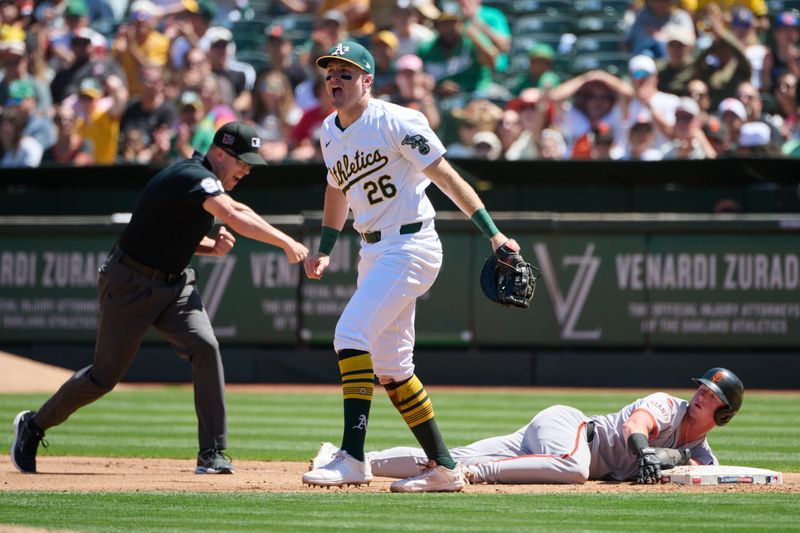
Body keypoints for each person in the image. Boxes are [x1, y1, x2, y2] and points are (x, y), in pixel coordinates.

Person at [10, 121, 309, 475]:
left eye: (249, 162)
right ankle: (33, 425)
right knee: (103, 378)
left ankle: (211, 451)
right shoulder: (192, 175)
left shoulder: (207, 185)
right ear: (217, 153)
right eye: (241, 160)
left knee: (205, 347)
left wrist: (211, 249)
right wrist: (286, 242)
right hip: (130, 282)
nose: (246, 169)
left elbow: (180, 229)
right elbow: (233, 214)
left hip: (175, 285)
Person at [302, 41, 523, 493]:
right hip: (373, 251)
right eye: (330, 73)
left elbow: (445, 176)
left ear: (367, 80)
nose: (336, 80)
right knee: (392, 366)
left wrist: (493, 233)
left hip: (412, 244)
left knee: (349, 335)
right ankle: (444, 467)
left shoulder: (396, 120)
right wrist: (325, 246)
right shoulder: (328, 131)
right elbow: (335, 192)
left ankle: (352, 457)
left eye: (347, 72)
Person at [311, 367, 745, 485]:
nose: (702, 395)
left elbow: (712, 476)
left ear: (724, 415)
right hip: (572, 430)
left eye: (712, 396)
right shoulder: (668, 405)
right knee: (574, 470)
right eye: (703, 388)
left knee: (449, 458)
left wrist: (678, 461)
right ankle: (476, 476)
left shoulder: (702, 452)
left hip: (549, 449)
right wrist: (645, 449)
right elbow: (638, 423)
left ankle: (351, 458)